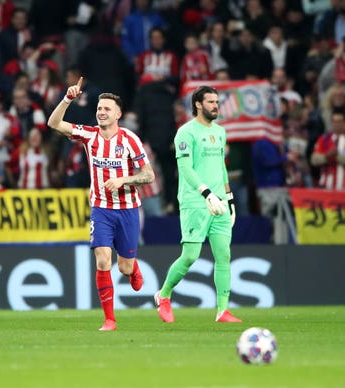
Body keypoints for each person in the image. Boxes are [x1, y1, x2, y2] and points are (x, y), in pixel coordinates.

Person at [47, 77, 155, 332]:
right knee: (103, 261)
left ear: (118, 114)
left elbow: (149, 175)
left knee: (125, 266)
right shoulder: (89, 135)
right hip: (101, 209)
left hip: (128, 209)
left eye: (107, 109)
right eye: (99, 108)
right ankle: (109, 320)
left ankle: (132, 266)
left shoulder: (130, 140)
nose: (101, 112)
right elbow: (53, 123)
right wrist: (67, 99)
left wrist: (124, 180)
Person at [154, 85, 242, 324]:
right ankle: (163, 295)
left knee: (224, 255)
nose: (216, 106)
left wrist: (229, 198)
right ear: (198, 105)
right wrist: (206, 193)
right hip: (196, 201)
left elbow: (222, 168)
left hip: (220, 202)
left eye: (217, 101)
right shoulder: (185, 132)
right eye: (211, 102)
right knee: (191, 256)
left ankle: (222, 311)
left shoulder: (220, 132)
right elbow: (185, 168)